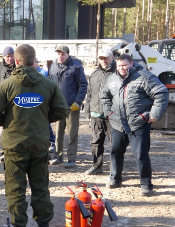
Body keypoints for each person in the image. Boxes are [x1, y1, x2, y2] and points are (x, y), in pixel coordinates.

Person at [0, 44, 68, 227]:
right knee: (41, 188)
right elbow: (61, 110)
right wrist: (41, 119)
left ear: (17, 60)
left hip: (15, 146)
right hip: (39, 145)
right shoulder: (48, 84)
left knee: (15, 190)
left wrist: (11, 121)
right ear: (33, 60)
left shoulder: (7, 85)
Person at [101, 54, 168, 196]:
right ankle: (115, 179)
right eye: (119, 66)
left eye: (124, 65)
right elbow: (104, 96)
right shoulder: (112, 78)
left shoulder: (144, 77)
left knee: (141, 155)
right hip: (118, 123)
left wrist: (153, 114)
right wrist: (109, 113)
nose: (121, 68)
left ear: (131, 64)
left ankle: (146, 185)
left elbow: (161, 93)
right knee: (115, 152)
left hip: (138, 123)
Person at [48, 45, 87, 168]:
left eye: (63, 54)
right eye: (58, 54)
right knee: (59, 132)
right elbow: (49, 85)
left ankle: (71, 159)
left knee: (72, 133)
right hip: (58, 106)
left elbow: (83, 85)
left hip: (72, 107)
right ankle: (59, 157)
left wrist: (78, 102)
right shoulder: (53, 67)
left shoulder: (76, 66)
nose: (60, 56)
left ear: (68, 55)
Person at [84, 48, 116, 175]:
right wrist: (88, 111)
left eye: (106, 58)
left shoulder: (117, 74)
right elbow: (89, 93)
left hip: (112, 115)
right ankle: (97, 166)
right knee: (96, 142)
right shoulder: (94, 74)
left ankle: (115, 169)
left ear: (112, 57)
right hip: (96, 113)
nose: (103, 60)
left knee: (114, 143)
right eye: (101, 58)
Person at [33, 57, 56, 153]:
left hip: (42, 102)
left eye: (34, 62)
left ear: (37, 62)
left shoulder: (43, 73)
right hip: (32, 101)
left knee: (45, 122)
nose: (32, 64)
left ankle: (51, 140)